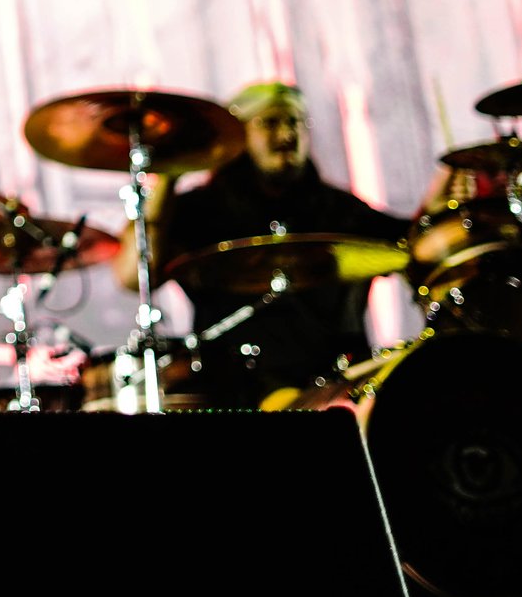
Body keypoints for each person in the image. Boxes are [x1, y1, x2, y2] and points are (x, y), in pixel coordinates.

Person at [114, 82, 410, 407]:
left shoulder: (337, 209)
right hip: (235, 391)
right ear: (238, 135)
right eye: (269, 123)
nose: (286, 134)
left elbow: (415, 246)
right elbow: (131, 276)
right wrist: (170, 173)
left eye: (295, 122)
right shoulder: (199, 211)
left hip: (345, 382)